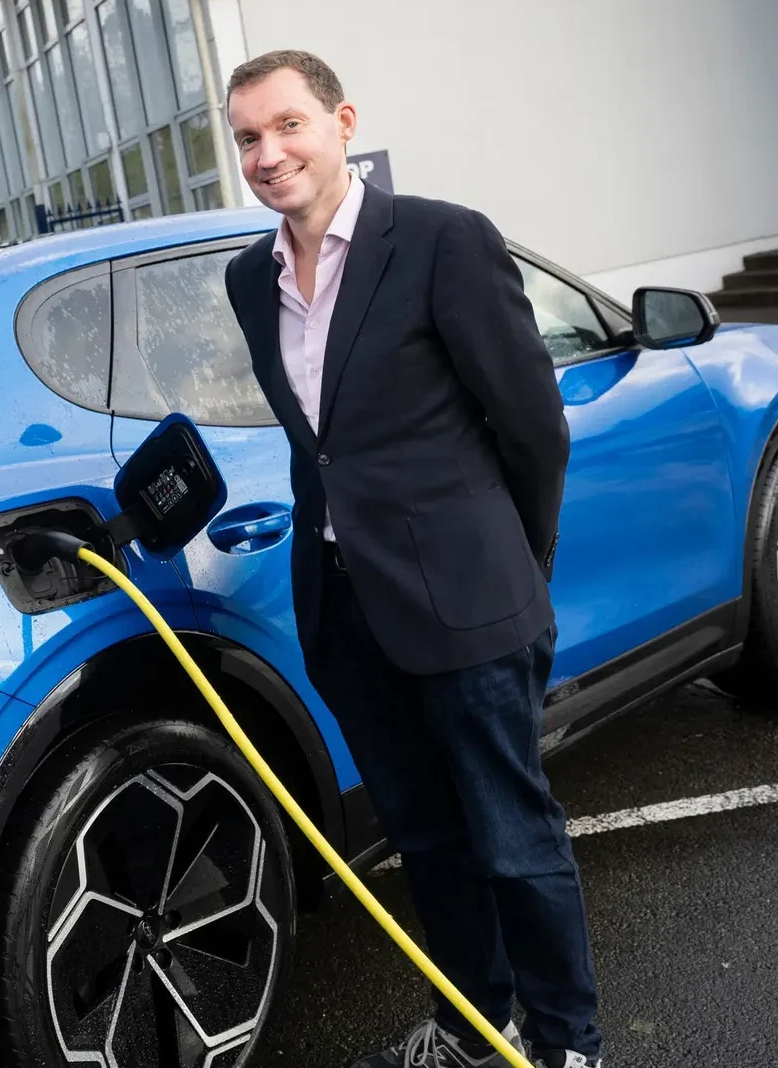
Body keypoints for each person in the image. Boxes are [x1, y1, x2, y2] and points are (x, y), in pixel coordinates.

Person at [220, 51, 602, 1068]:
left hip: (469, 597)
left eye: (287, 125)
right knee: (425, 841)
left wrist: (520, 565)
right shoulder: (246, 280)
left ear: (342, 122)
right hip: (346, 610)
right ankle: (479, 1030)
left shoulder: (440, 240)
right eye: (248, 136)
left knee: (512, 839)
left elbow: (533, 427)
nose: (268, 153)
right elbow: (324, 444)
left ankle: (569, 1044)